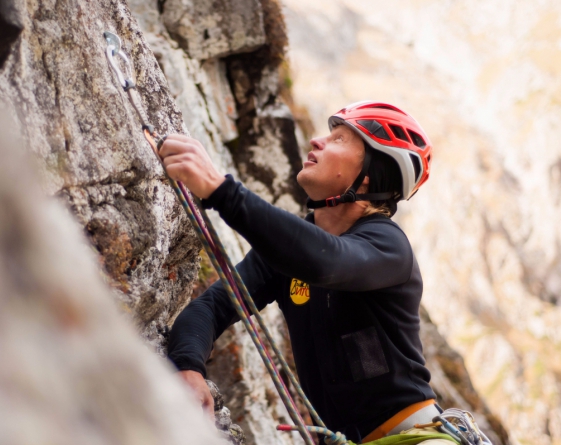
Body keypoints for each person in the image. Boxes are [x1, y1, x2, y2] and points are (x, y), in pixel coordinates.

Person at [161, 101, 448, 444]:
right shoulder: (289, 254)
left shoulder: (388, 246)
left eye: (340, 139)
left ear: (368, 176)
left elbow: (327, 262)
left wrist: (221, 190)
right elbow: (211, 309)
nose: (316, 141)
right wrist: (188, 367)